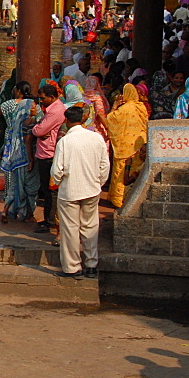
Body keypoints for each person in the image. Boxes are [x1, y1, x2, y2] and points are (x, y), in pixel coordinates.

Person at [52, 106, 109, 279]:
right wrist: (98, 183)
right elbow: (104, 166)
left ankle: (72, 267)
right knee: (90, 227)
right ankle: (91, 265)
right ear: (83, 119)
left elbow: (56, 171)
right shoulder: (96, 138)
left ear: (67, 121)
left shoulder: (65, 142)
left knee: (70, 229)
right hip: (91, 189)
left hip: (70, 190)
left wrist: (59, 182)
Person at [0, 81, 38, 223]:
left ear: (18, 90)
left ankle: (6, 211)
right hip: (26, 152)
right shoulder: (31, 115)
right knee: (29, 185)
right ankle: (27, 213)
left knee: (12, 183)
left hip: (11, 148)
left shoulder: (10, 105)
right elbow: (29, 139)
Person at [27, 83, 66, 234]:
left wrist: (38, 129)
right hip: (46, 152)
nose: (40, 100)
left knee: (50, 190)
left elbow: (38, 130)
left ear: (51, 97)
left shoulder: (56, 111)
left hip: (49, 154)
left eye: (42, 98)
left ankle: (50, 220)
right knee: (47, 190)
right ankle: (49, 218)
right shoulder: (52, 109)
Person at [106, 83, 149, 208]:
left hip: (125, 146)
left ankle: (119, 200)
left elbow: (110, 120)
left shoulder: (124, 109)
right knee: (136, 171)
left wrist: (114, 106)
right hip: (139, 144)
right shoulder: (141, 107)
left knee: (122, 172)